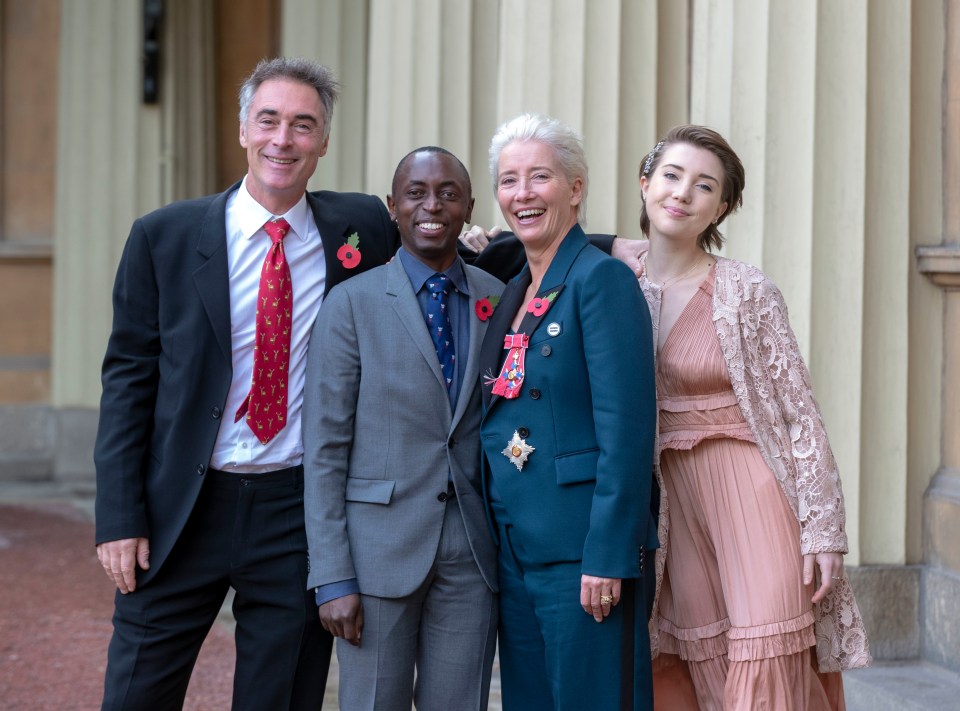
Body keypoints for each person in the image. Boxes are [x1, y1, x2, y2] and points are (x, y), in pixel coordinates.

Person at [93, 57, 404, 710]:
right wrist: (120, 516)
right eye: (268, 120)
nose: (282, 140)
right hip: (181, 507)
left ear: (323, 142)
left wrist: (614, 245)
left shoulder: (360, 228)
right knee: (135, 692)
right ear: (243, 130)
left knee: (280, 697)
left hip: (297, 513)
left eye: (302, 125)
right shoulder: (164, 237)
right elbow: (127, 380)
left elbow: (447, 243)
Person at [633, 125, 870, 710]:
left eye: (704, 186)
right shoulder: (616, 285)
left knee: (766, 650)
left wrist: (823, 529)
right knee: (702, 663)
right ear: (645, 184)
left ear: (723, 207)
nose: (683, 193)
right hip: (675, 507)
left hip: (754, 490)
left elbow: (799, 415)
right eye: (671, 175)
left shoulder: (744, 289)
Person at [302, 147, 503, 710]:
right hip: (374, 559)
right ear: (392, 207)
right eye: (415, 193)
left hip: (471, 554)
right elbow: (324, 450)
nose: (431, 206)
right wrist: (333, 577)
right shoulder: (350, 305)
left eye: (447, 193)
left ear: (468, 207)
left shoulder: (500, 300)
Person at [478, 113, 658, 711]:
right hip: (516, 548)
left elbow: (627, 433)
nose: (521, 194)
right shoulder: (513, 288)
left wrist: (609, 554)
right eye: (508, 181)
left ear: (575, 188)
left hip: (583, 555)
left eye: (539, 177)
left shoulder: (601, 281)